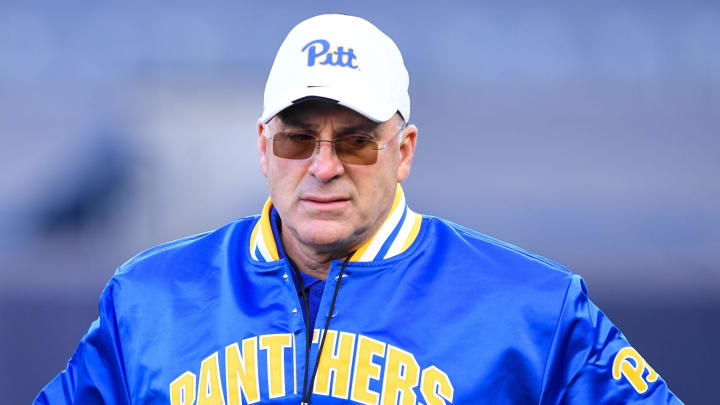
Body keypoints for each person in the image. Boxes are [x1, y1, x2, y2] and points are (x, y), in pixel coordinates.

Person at [35, 14, 683, 405]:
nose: (323, 166)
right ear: (263, 147)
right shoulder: (151, 299)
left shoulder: (532, 309)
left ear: (403, 150)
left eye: (355, 140)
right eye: (297, 137)